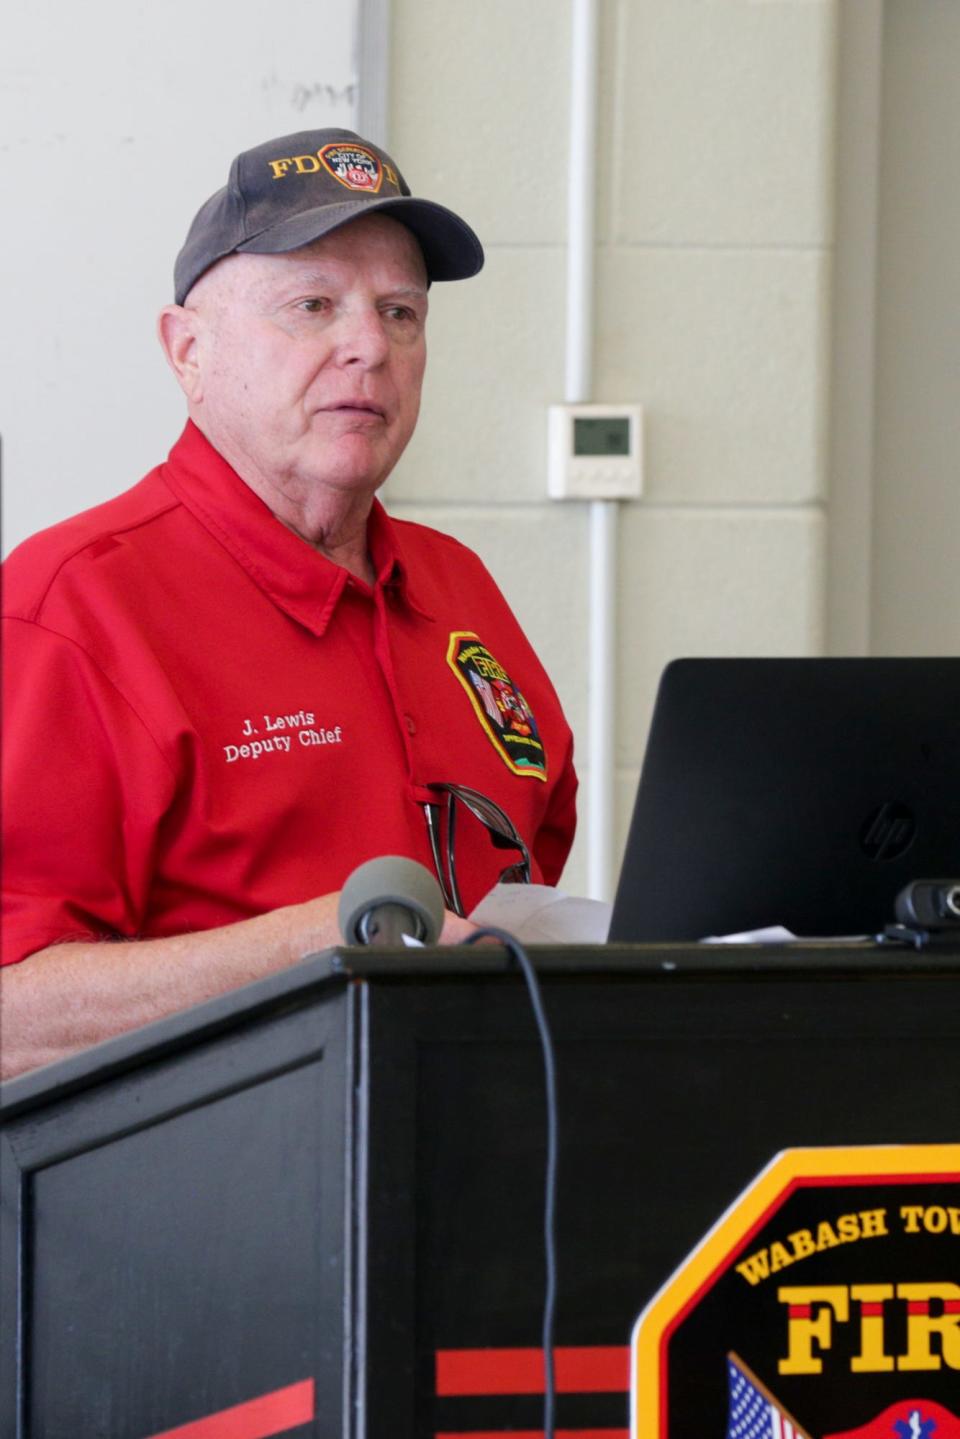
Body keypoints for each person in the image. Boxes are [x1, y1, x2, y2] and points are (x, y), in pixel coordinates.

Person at [0, 129, 577, 1079]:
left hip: (487, 1164)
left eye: (401, 313)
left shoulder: (459, 587)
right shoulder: (69, 611)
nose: (367, 347)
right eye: (312, 306)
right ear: (188, 351)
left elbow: (534, 868)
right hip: (206, 1202)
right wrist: (315, 956)